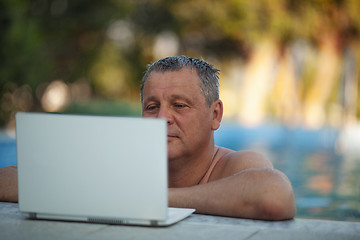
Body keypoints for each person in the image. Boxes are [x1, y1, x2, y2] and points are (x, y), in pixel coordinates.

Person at [0, 56, 296, 220]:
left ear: (215, 115)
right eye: (152, 107)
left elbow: (274, 196)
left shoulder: (236, 165)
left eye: (179, 106)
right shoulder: (123, 166)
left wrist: (144, 199)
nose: (162, 118)